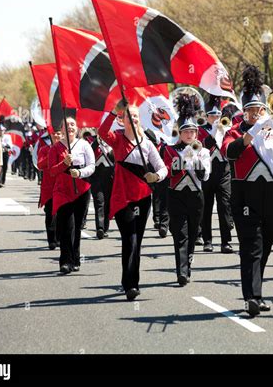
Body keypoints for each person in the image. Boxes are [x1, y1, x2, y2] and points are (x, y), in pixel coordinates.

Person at [221, 65, 273, 317]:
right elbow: (230, 152)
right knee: (251, 246)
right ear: (244, 112)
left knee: (264, 246)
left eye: (260, 109)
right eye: (251, 110)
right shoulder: (234, 131)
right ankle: (251, 297)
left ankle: (257, 292)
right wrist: (253, 131)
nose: (256, 113)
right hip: (245, 194)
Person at [98, 105, 167, 301]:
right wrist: (113, 112)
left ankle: (129, 281)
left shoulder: (147, 142)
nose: (133, 119)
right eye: (129, 116)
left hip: (143, 197)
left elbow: (163, 168)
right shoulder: (117, 138)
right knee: (130, 239)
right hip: (122, 197)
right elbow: (102, 132)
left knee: (137, 241)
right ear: (123, 119)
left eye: (135, 116)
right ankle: (131, 285)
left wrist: (156, 176)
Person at [163, 94, 211, 286]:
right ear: (180, 133)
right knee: (180, 233)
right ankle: (181, 271)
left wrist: (196, 159)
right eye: (186, 132)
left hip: (195, 196)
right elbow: (168, 173)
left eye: (192, 131)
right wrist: (181, 160)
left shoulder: (204, 152)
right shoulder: (169, 150)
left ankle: (188, 263)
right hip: (176, 195)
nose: (190, 135)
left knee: (192, 233)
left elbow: (205, 176)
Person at [49, 117, 95, 274]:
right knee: (66, 227)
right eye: (66, 125)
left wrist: (80, 173)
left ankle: (75, 259)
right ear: (61, 129)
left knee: (77, 226)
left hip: (82, 190)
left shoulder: (84, 145)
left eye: (72, 124)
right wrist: (64, 164)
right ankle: (65, 261)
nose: (69, 127)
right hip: (63, 191)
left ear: (77, 128)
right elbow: (52, 171)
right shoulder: (55, 148)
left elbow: (92, 166)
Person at [197, 94, 234, 254]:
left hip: (224, 171)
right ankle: (207, 240)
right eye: (212, 115)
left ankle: (226, 241)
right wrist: (213, 133)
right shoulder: (200, 130)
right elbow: (202, 146)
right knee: (206, 207)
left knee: (224, 206)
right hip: (207, 172)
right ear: (207, 116)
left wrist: (223, 130)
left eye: (218, 115)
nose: (216, 118)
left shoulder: (227, 129)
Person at [37, 128, 62, 250]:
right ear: (50, 136)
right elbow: (40, 165)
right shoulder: (44, 149)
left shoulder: (67, 150)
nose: (56, 136)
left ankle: (60, 238)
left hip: (63, 186)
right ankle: (51, 240)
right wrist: (52, 153)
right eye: (54, 134)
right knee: (50, 213)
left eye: (59, 133)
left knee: (62, 213)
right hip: (49, 187)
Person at [89, 132, 115, 239]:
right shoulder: (90, 140)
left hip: (109, 177)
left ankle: (105, 227)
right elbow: (90, 152)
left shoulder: (113, 142)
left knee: (108, 202)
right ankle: (99, 228)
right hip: (96, 177)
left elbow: (115, 157)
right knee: (99, 201)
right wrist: (97, 141)